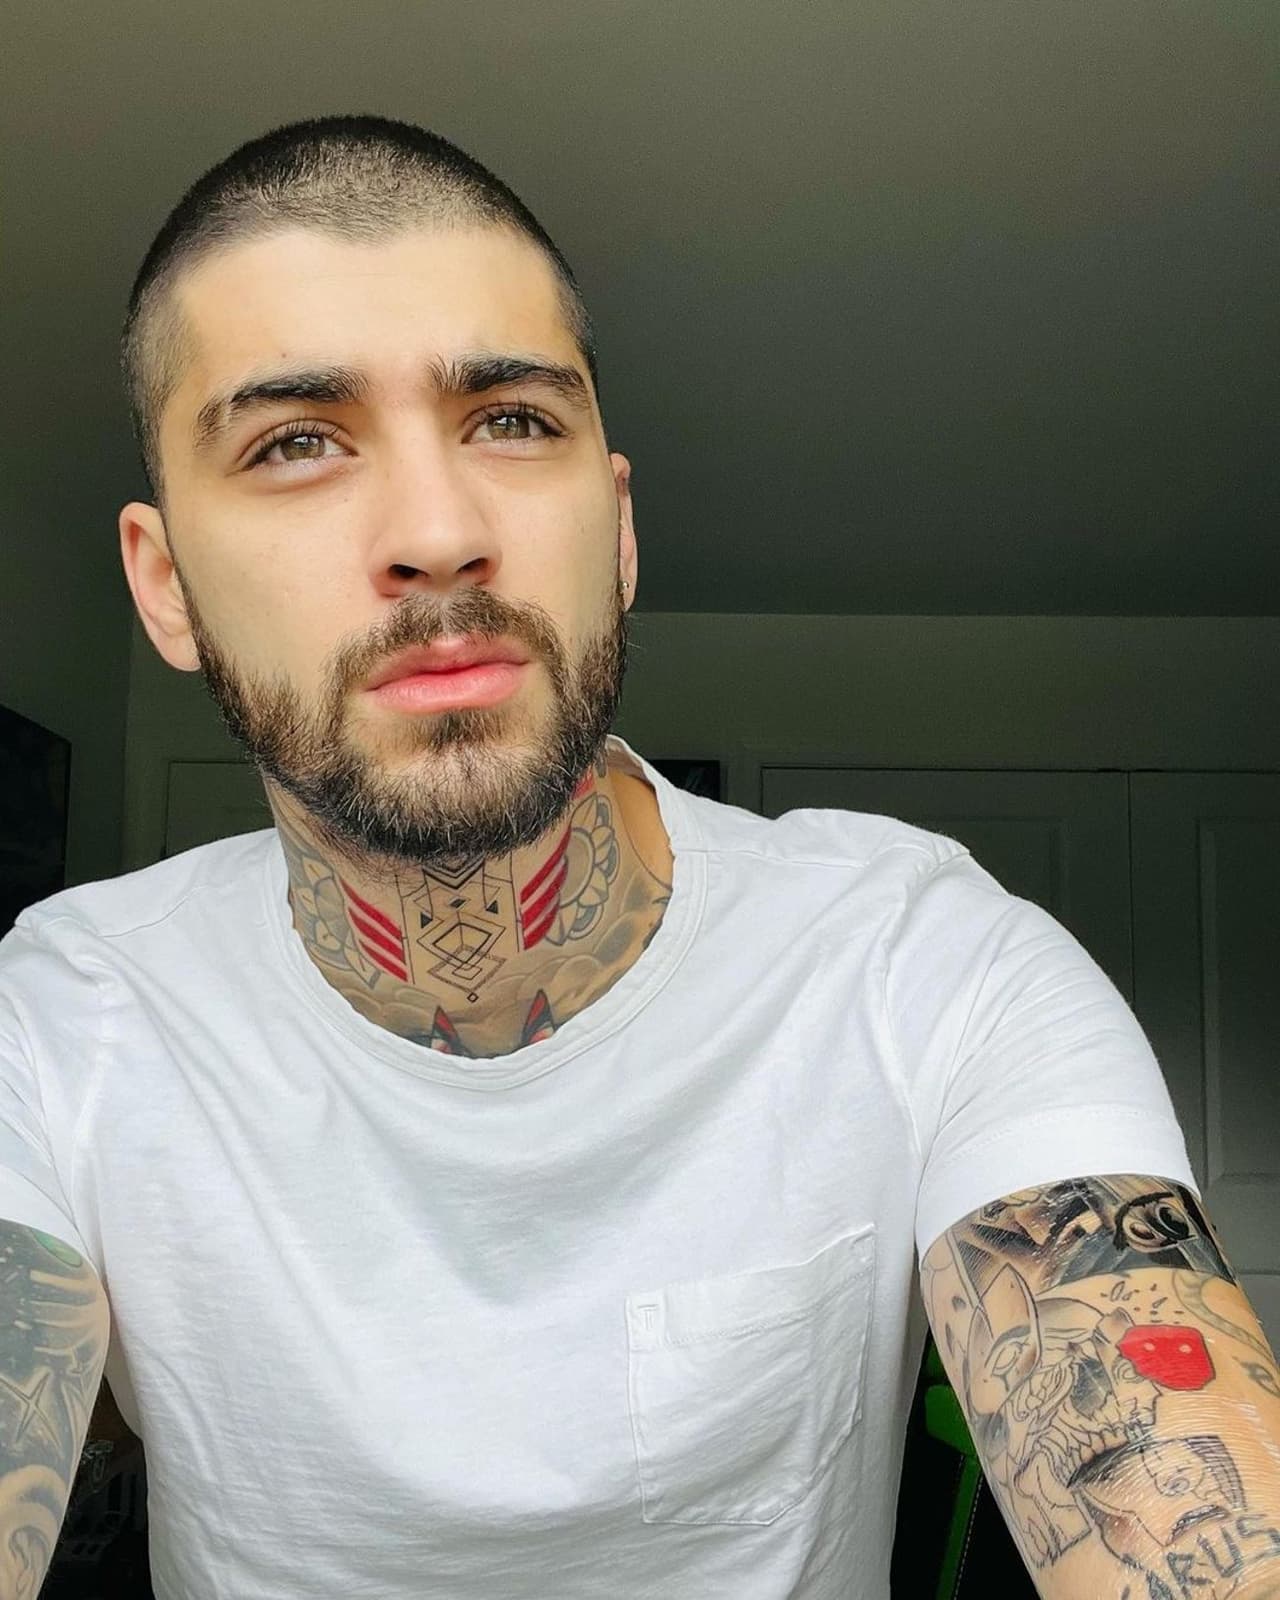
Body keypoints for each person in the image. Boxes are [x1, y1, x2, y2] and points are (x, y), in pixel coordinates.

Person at [0, 114, 1276, 1600]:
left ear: (615, 533)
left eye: (510, 420)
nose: (438, 532)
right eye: (295, 443)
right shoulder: (64, 1017)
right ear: (165, 586)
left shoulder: (930, 966)